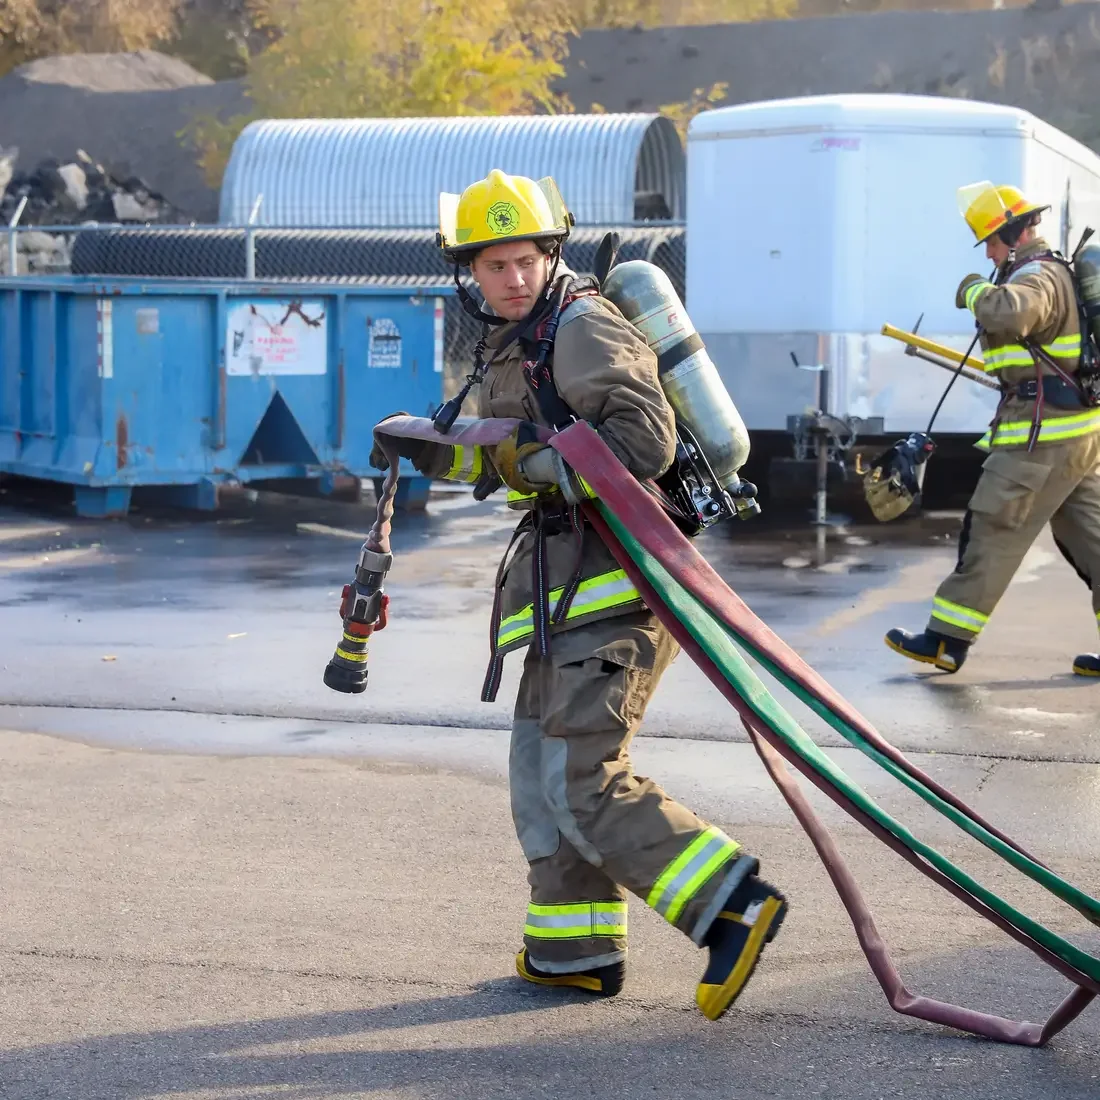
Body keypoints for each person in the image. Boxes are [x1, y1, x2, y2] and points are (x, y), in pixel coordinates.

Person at [371, 169, 787, 1019]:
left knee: (580, 777)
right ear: (469, 273)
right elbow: (509, 447)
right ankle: (575, 952)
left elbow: (641, 440)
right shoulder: (516, 341)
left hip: (618, 589)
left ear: (551, 253)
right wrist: (429, 445)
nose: (512, 277)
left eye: (525, 260)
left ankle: (733, 903)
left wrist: (525, 461)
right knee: (539, 772)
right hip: (565, 591)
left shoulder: (582, 325)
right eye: (494, 265)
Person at [886, 181, 1100, 676]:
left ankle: (946, 641)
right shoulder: (1052, 272)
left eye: (991, 242)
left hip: (1039, 439)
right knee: (1093, 539)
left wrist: (972, 289)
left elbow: (1012, 313)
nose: (988, 253)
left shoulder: (1037, 275)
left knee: (993, 527)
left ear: (1013, 233)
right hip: (1077, 435)